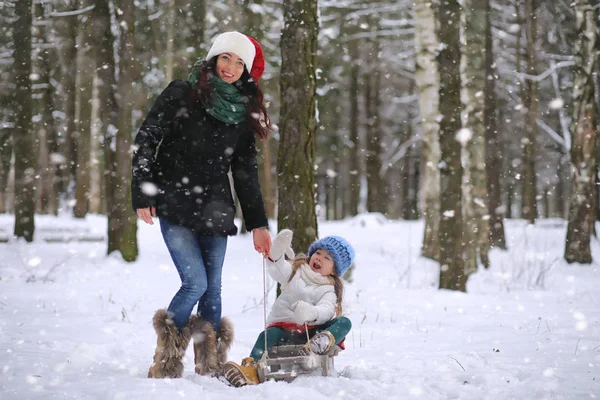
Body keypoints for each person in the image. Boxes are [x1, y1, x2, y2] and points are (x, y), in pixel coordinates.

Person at [131, 31, 272, 379]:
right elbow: (146, 139)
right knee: (194, 282)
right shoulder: (182, 92)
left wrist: (258, 224)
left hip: (216, 207)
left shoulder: (242, 112)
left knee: (213, 286)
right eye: (227, 58)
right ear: (213, 58)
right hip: (174, 200)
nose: (231, 67)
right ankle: (166, 361)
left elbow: (245, 173)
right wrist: (142, 193)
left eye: (240, 62)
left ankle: (209, 366)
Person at [222, 230, 355, 387]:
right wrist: (276, 255)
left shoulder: (328, 288)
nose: (319, 257)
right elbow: (277, 270)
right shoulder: (296, 271)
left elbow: (326, 310)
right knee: (267, 335)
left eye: (327, 258)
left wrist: (311, 313)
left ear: (334, 270)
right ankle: (251, 369)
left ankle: (322, 341)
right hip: (285, 331)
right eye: (318, 252)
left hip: (311, 334)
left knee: (344, 322)